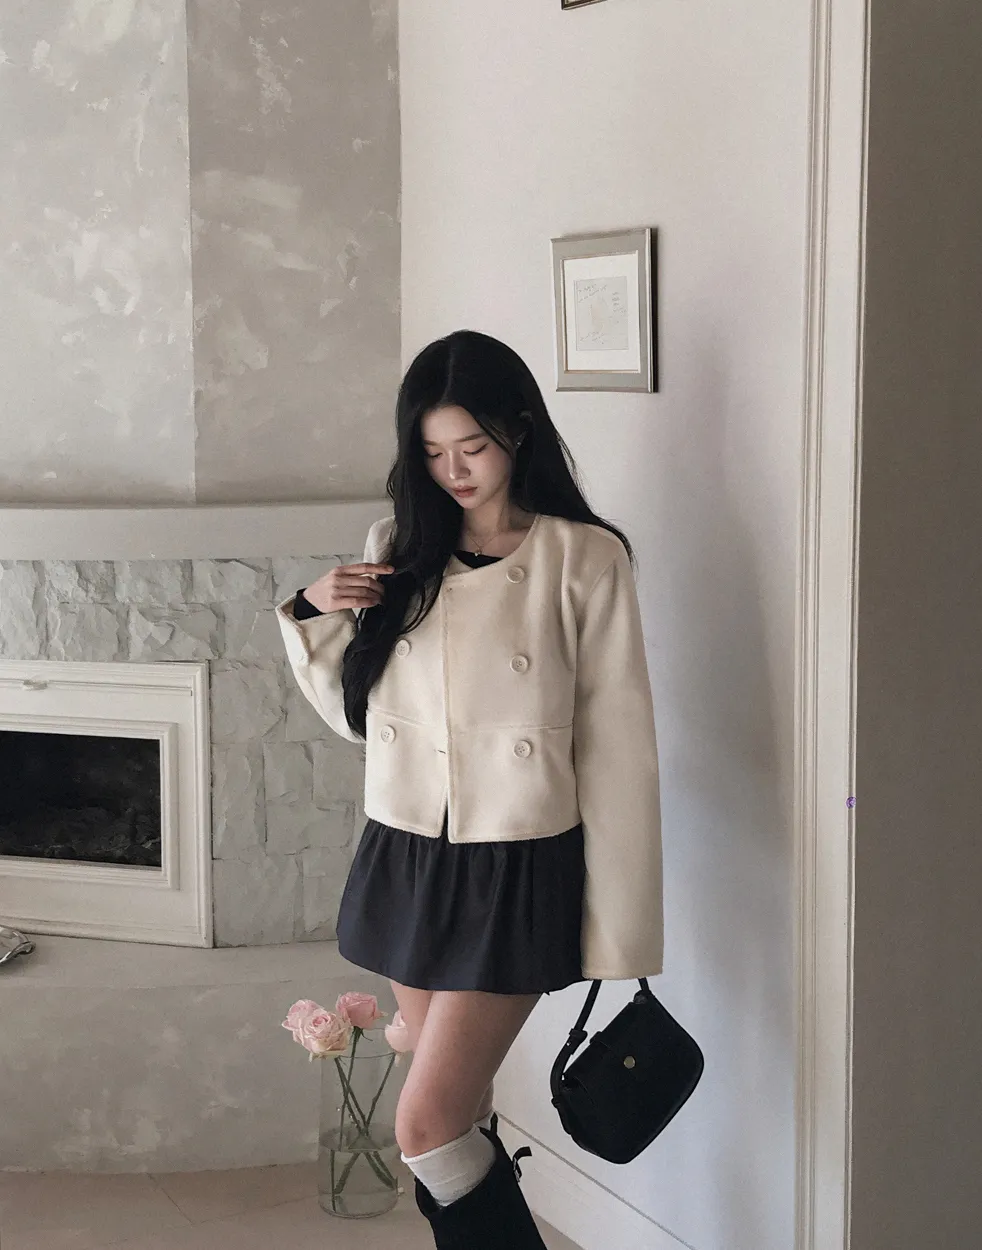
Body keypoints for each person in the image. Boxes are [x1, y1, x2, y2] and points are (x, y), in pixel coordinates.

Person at [275, 329, 663, 1248]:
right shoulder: (399, 548)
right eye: (431, 451)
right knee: (459, 1112)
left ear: (518, 431)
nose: (453, 471)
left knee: (424, 1123)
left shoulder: (584, 558)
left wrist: (620, 928)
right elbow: (363, 719)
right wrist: (312, 612)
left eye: (473, 447)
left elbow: (619, 750)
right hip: (410, 851)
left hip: (516, 864)